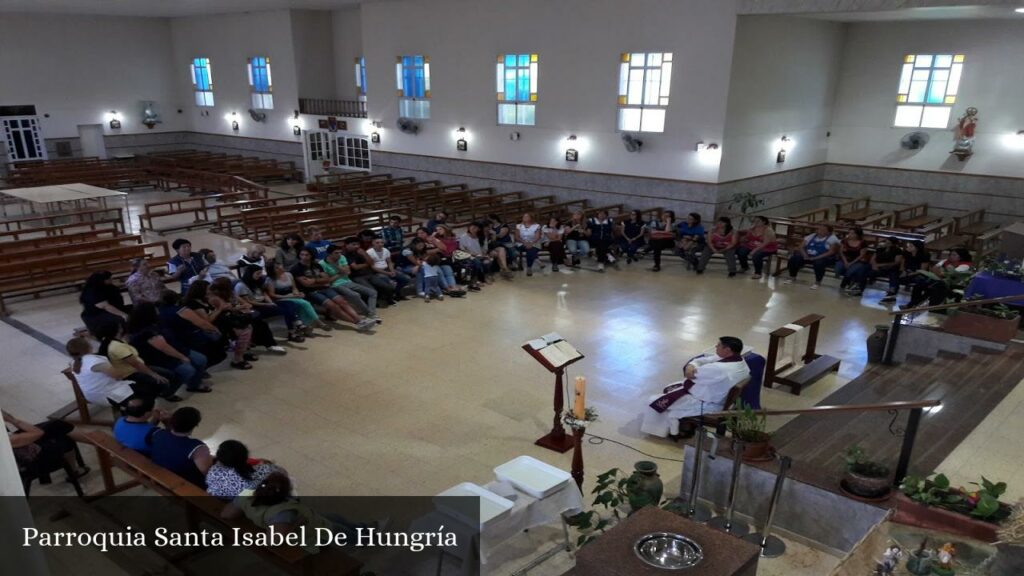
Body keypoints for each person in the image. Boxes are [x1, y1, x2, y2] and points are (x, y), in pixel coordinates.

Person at [221, 472, 377, 554]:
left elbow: (226, 514)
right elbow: (273, 541)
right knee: (338, 530)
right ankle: (364, 539)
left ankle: (362, 528)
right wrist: (296, 524)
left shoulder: (247, 495)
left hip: (314, 522)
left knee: (334, 517)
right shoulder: (284, 513)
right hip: (311, 536)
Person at [641, 337, 751, 438]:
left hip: (704, 401)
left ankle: (661, 432)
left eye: (718, 345)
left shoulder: (719, 369)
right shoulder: (740, 361)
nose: (716, 347)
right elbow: (703, 360)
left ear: (727, 349)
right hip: (716, 395)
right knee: (668, 388)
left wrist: (691, 366)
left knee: (653, 401)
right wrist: (692, 365)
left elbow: (690, 375)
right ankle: (681, 427)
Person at [126, 302, 211, 393]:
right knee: (188, 370)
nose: (157, 310)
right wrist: (182, 357)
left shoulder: (158, 321)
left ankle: (194, 384)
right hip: (162, 358)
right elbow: (163, 347)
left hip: (177, 348)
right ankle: (168, 391)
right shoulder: (146, 332)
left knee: (201, 359)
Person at [93, 321, 182, 402]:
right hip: (132, 373)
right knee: (164, 379)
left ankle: (165, 393)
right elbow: (136, 364)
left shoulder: (112, 342)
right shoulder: (116, 346)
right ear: (117, 330)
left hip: (135, 369)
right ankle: (159, 395)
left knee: (169, 374)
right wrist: (154, 375)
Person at [291, 248, 376, 331]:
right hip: (311, 292)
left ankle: (360, 320)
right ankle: (357, 322)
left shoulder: (316, 265)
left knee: (343, 302)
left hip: (324, 288)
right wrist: (320, 281)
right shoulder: (296, 268)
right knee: (333, 306)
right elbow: (306, 284)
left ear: (311, 256)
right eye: (302, 255)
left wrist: (314, 280)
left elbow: (327, 279)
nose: (304, 257)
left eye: (307, 255)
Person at [6, 411, 89, 486]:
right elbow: (38, 433)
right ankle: (73, 471)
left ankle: (94, 441)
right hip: (25, 462)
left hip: (14, 448)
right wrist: (12, 420)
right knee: (64, 438)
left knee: (58, 425)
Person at [209, 277, 287, 353]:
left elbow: (246, 304)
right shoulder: (215, 297)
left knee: (259, 321)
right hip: (224, 317)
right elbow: (227, 308)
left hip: (236, 314)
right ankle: (267, 344)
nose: (231, 285)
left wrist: (243, 306)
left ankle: (268, 344)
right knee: (256, 322)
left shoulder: (231, 293)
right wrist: (241, 307)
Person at [235, 265, 305, 343]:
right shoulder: (241, 286)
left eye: (261, 273)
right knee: (285, 311)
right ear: (250, 273)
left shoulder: (257, 281)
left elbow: (264, 294)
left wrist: (270, 302)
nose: (260, 275)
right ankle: (292, 332)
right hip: (256, 306)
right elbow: (249, 302)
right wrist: (267, 304)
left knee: (290, 303)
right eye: (258, 273)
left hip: (265, 303)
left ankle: (296, 322)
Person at [158, 289, 227, 368]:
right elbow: (202, 323)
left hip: (172, 339)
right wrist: (215, 329)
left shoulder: (159, 311)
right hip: (189, 338)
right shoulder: (181, 310)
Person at [148, 407, 212, 488]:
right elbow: (207, 472)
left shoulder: (157, 433)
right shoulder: (197, 448)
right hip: (184, 483)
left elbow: (170, 438)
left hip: (159, 474)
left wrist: (163, 421)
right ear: (195, 425)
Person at [65, 336, 136, 406]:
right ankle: (133, 412)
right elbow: (118, 376)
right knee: (142, 384)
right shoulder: (95, 361)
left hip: (91, 396)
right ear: (89, 347)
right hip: (106, 396)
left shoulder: (74, 363)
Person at [206, 440, 281, 500]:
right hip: (241, 507)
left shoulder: (213, 470)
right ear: (245, 457)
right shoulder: (262, 472)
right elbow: (281, 473)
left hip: (216, 500)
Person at [901, 248, 973, 310]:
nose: (951, 256)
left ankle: (912, 305)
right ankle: (912, 304)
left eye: (954, 255)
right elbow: (934, 269)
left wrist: (940, 273)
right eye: (951, 254)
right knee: (918, 286)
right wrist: (940, 273)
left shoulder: (965, 265)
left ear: (961, 257)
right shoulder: (946, 261)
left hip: (951, 284)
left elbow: (950, 275)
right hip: (937, 280)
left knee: (931, 289)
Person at [319, 245, 378, 318]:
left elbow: (348, 272)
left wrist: (336, 265)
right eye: (336, 253)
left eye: (340, 253)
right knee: (355, 295)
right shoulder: (321, 264)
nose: (339, 255)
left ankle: (371, 312)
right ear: (329, 254)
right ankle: (368, 313)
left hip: (347, 281)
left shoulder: (342, 258)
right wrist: (341, 273)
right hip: (335, 285)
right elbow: (328, 281)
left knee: (373, 292)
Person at [265, 261, 321, 333]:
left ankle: (305, 326)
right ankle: (318, 322)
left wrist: (297, 293)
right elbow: (272, 295)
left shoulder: (289, 274)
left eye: (279, 265)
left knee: (301, 304)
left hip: (291, 296)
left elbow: (294, 288)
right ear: (272, 271)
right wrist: (286, 296)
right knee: (305, 303)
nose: (280, 268)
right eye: (276, 268)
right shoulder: (270, 279)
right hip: (280, 298)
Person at [784, 224, 840, 289]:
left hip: (823, 257)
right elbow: (801, 247)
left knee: (819, 263)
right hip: (808, 255)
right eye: (819, 229)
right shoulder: (812, 236)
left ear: (829, 232)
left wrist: (815, 258)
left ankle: (817, 282)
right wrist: (805, 255)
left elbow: (831, 252)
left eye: (823, 230)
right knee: (794, 258)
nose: (819, 231)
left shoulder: (832, 238)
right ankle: (792, 277)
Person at [343, 236, 396, 304]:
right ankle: (372, 304)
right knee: (371, 290)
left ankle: (386, 300)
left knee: (387, 286)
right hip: (356, 276)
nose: (356, 246)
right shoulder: (344, 255)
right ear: (346, 245)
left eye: (358, 244)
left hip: (368, 273)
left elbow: (372, 262)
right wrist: (367, 264)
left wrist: (364, 254)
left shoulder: (360, 251)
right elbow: (355, 267)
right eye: (353, 244)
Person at [80, 270, 130, 335]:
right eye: (109, 278)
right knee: (119, 320)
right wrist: (123, 314)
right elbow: (106, 306)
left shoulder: (108, 287)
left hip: (109, 310)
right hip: (96, 315)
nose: (111, 279)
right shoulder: (91, 292)